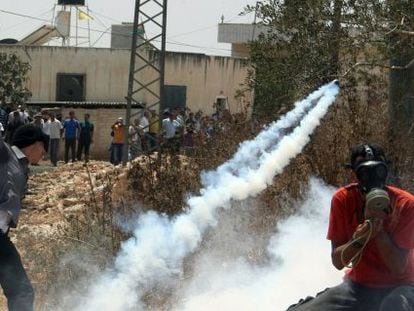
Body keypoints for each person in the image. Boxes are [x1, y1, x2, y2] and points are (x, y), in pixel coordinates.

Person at [288, 143, 414, 311]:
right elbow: (338, 262)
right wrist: (361, 237)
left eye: (378, 171)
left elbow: (398, 268)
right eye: (364, 173)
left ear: (385, 172)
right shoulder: (343, 200)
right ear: (355, 174)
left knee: (393, 307)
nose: (372, 178)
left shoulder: (405, 204)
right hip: (358, 287)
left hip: (402, 286)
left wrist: (379, 230)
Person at [0, 124, 48, 311]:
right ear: (35, 144)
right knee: (21, 291)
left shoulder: (22, 166)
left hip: (1, 237)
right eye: (43, 147)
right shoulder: (5, 153)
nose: (44, 153)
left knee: (21, 290)